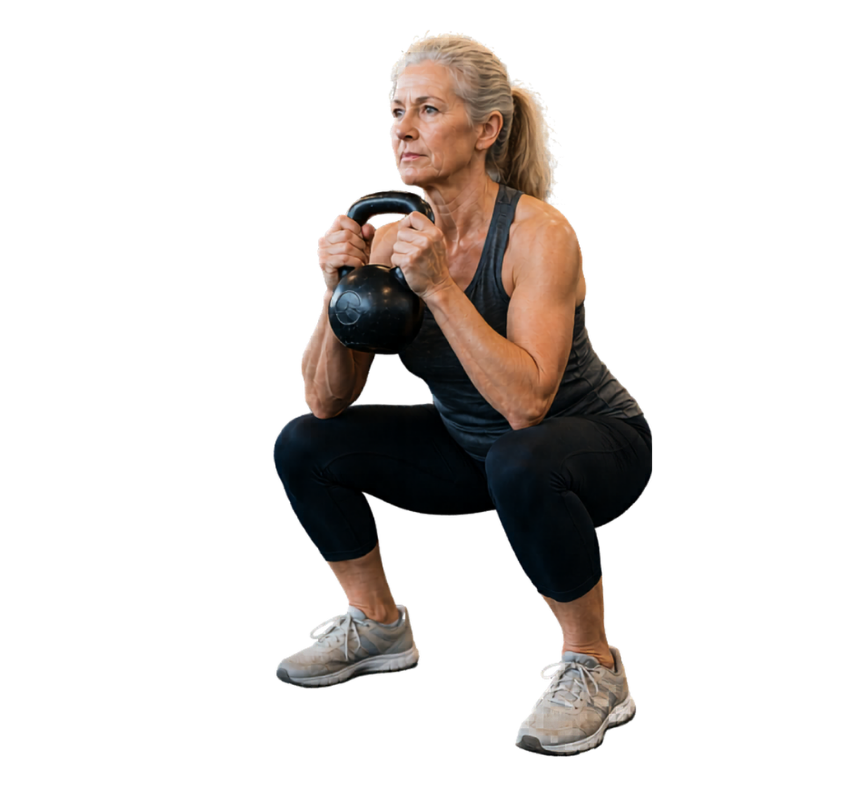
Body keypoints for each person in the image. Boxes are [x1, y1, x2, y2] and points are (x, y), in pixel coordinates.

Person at [274, 32, 651, 754]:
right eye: (395, 111)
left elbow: (527, 405)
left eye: (428, 110)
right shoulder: (385, 237)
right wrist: (334, 291)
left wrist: (441, 287)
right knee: (304, 443)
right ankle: (378, 624)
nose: (403, 130)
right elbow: (326, 401)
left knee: (520, 458)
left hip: (590, 440)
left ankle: (593, 667)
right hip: (472, 442)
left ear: (486, 130)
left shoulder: (541, 234)